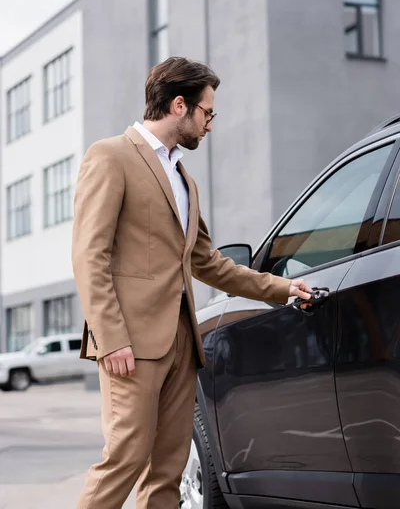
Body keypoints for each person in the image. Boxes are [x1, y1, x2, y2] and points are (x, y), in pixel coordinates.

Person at [72, 56, 312, 509]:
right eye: (208, 113)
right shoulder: (111, 156)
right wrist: (112, 337)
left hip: (182, 343)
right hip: (131, 344)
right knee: (125, 458)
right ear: (179, 105)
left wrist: (280, 288)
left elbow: (209, 263)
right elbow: (89, 254)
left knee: (168, 469)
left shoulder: (183, 178)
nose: (210, 125)